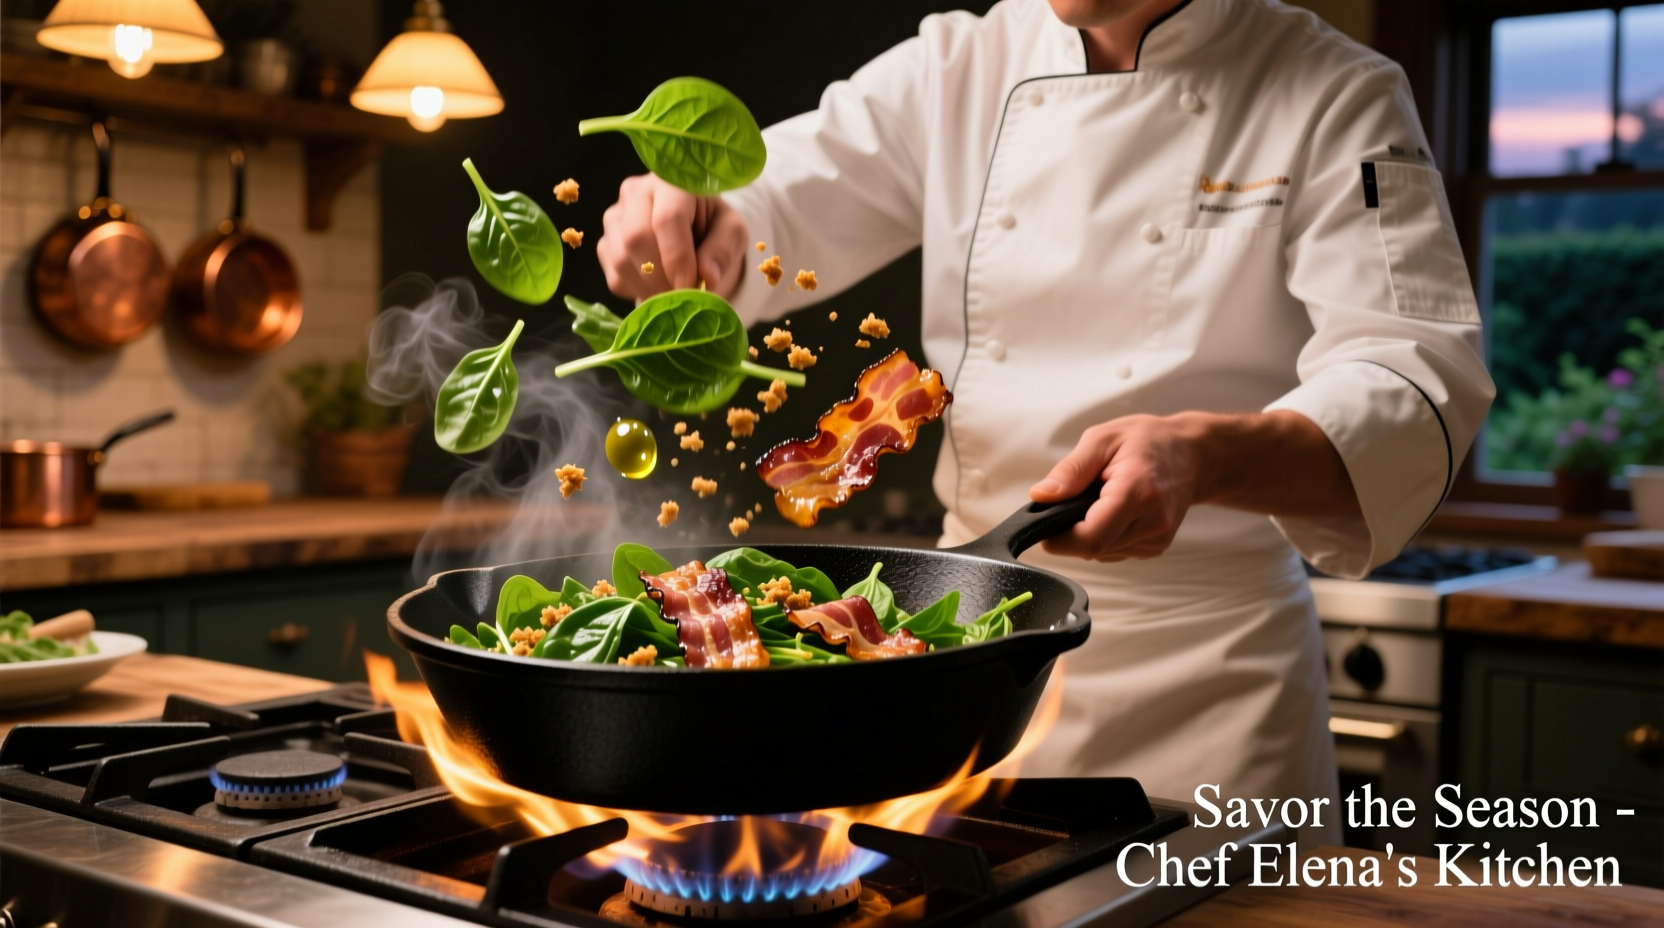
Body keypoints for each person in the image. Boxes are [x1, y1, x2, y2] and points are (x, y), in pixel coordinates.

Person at [595, 0, 1493, 845]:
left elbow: (1416, 384)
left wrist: (1207, 455)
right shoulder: (959, 66)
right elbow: (770, 206)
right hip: (962, 661)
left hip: (1212, 691)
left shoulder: (1337, 92)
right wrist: (688, 226)